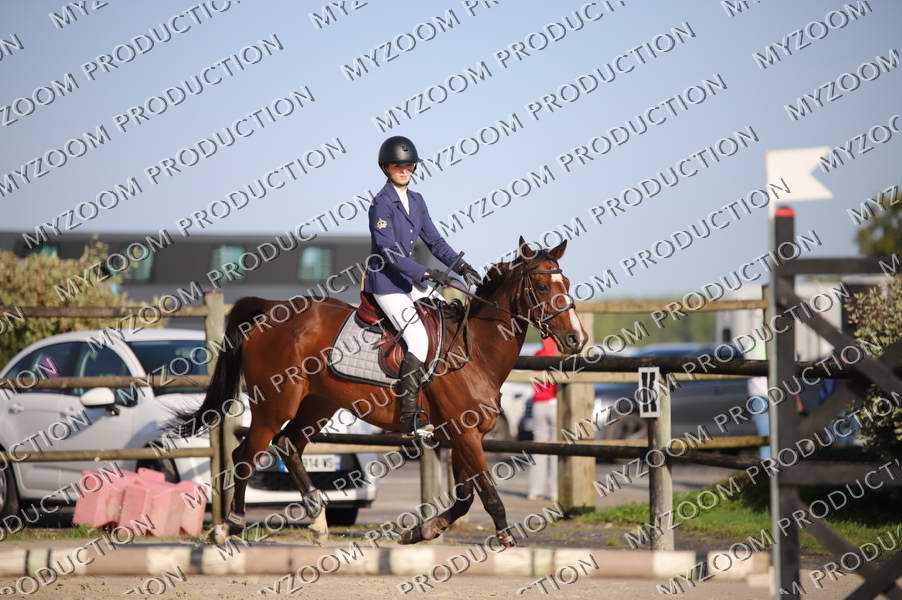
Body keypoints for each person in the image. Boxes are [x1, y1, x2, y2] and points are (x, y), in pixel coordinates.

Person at [364, 135, 481, 439]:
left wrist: (460, 266)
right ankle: (409, 417)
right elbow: (390, 253)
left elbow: (435, 241)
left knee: (444, 317)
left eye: (408, 165)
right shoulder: (380, 204)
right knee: (417, 338)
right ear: (386, 168)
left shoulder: (417, 200)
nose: (404, 170)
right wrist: (427, 273)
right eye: (397, 165)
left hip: (409, 281)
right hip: (387, 283)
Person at [528, 336, 558, 501]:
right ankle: (554, 491)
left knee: (538, 449)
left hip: (539, 404)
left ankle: (535, 490)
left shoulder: (537, 355)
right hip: (555, 403)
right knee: (555, 450)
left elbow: (532, 378)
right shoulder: (558, 355)